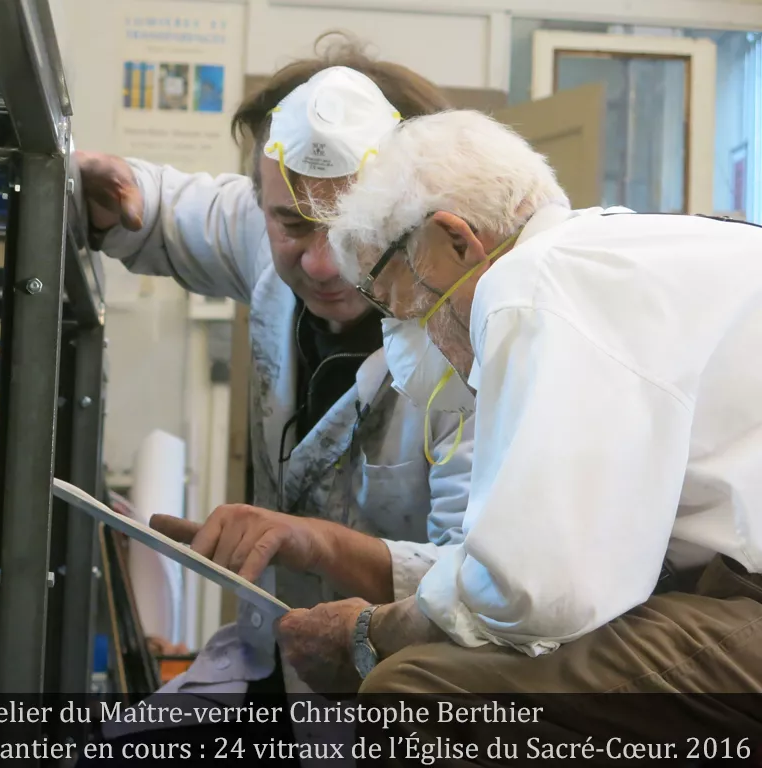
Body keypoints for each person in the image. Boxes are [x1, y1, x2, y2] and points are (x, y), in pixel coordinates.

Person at [276, 108, 762, 732]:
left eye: (387, 292)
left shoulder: (530, 286)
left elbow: (538, 593)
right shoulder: (610, 252)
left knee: (414, 689)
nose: (400, 324)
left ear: (455, 239)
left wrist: (373, 633)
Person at [74, 34, 475, 713]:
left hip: (413, 699)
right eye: (291, 224)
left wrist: (314, 543)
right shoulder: (260, 229)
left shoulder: (470, 345)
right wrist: (120, 196)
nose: (321, 264)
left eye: (351, 229)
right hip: (279, 662)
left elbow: (477, 586)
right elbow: (170, 207)